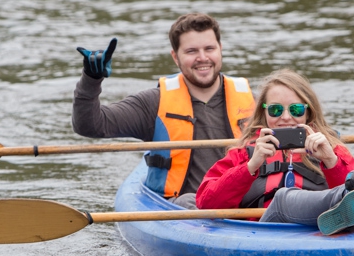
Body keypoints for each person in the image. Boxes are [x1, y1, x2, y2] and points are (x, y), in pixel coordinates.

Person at [73, 13, 255, 209]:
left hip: (242, 205)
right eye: (192, 51)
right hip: (183, 209)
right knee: (189, 201)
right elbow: (90, 126)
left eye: (209, 48)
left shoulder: (254, 101)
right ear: (175, 57)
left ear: (221, 49)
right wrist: (91, 80)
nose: (203, 58)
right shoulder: (152, 103)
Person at [196, 69, 354, 236]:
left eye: (296, 110)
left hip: (317, 231)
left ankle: (353, 201)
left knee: (353, 193)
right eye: (275, 110)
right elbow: (205, 204)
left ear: (308, 112)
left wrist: (331, 161)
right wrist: (250, 166)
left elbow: (344, 175)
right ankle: (349, 197)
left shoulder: (331, 149)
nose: (286, 117)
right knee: (282, 199)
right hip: (263, 233)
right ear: (264, 112)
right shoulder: (243, 154)